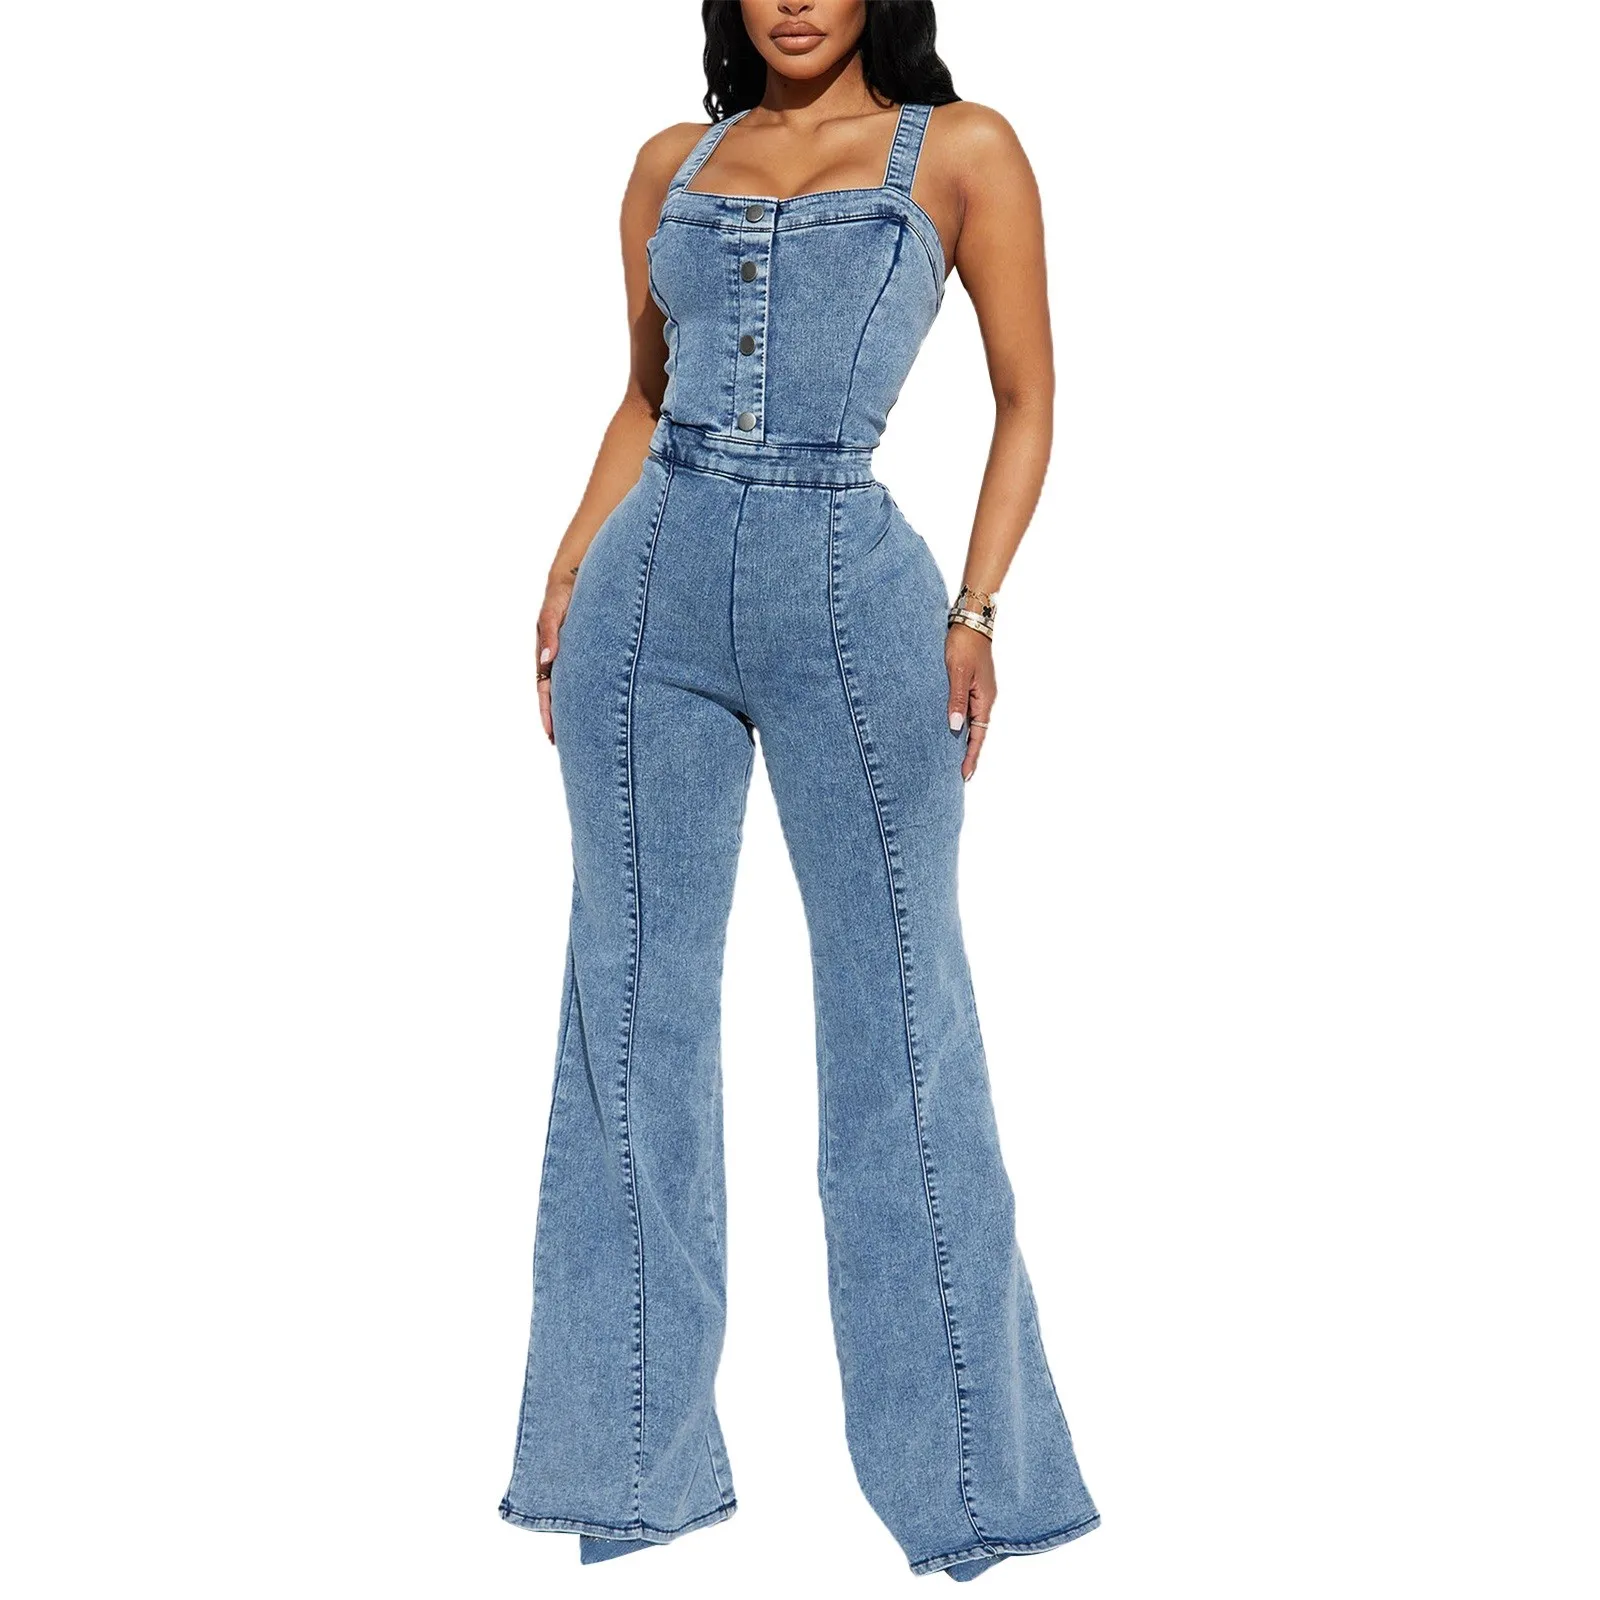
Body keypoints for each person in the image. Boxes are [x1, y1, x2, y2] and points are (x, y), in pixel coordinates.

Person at [498, 0, 1100, 1581]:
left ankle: (972, 1486)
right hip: (648, 598)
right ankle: (627, 1473)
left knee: (901, 1020)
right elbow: (645, 393)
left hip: (857, 595)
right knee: (630, 1015)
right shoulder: (670, 164)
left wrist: (977, 611)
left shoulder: (962, 151)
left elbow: (1029, 396)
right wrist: (566, 572)